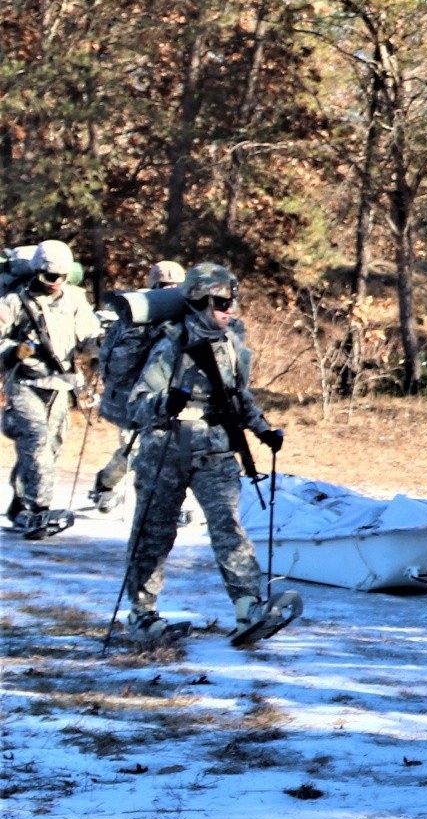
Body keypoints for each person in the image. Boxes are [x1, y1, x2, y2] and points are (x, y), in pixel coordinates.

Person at [122, 263, 299, 647]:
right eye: (220, 302)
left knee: (228, 527)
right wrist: (165, 402)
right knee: (154, 533)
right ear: (199, 302)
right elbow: (136, 406)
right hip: (165, 450)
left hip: (215, 449)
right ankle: (141, 611)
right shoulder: (170, 344)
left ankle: (247, 607)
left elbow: (237, 397)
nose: (228, 309)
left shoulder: (231, 345)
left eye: (231, 301)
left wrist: (262, 429)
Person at [1, 240, 102, 539]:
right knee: (37, 443)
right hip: (25, 384)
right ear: (37, 271)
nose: (55, 283)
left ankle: (20, 504)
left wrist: (98, 348)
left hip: (59, 385)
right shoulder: (16, 302)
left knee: (51, 447)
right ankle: (38, 509)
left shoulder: (74, 300)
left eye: (61, 277)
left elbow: (88, 336)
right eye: (49, 277)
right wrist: (11, 351)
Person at [91, 260, 186, 512]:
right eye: (164, 286)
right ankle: (105, 484)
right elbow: (115, 360)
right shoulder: (135, 316)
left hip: (171, 396)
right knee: (132, 452)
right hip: (136, 398)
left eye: (175, 286)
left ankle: (171, 505)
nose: (169, 291)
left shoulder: (186, 315)